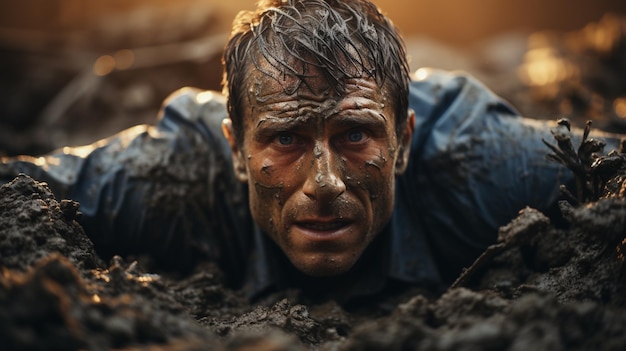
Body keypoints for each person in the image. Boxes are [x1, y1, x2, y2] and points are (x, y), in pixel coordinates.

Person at [0, 0, 619, 304]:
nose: (324, 183)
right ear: (236, 150)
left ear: (403, 141)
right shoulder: (172, 173)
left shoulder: (475, 158)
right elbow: (17, 190)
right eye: (287, 139)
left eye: (354, 136)